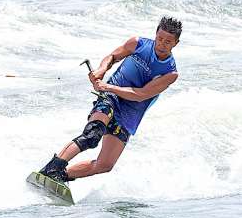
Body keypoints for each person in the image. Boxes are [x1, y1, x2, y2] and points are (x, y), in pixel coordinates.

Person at [39, 15, 182, 183]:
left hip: (128, 114)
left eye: (168, 42)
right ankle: (50, 169)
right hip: (110, 99)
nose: (162, 44)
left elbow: (140, 95)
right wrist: (101, 70)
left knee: (105, 164)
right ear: (155, 35)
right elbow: (113, 57)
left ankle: (61, 177)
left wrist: (107, 86)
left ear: (176, 43)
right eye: (160, 39)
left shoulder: (170, 72)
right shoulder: (138, 43)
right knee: (92, 135)